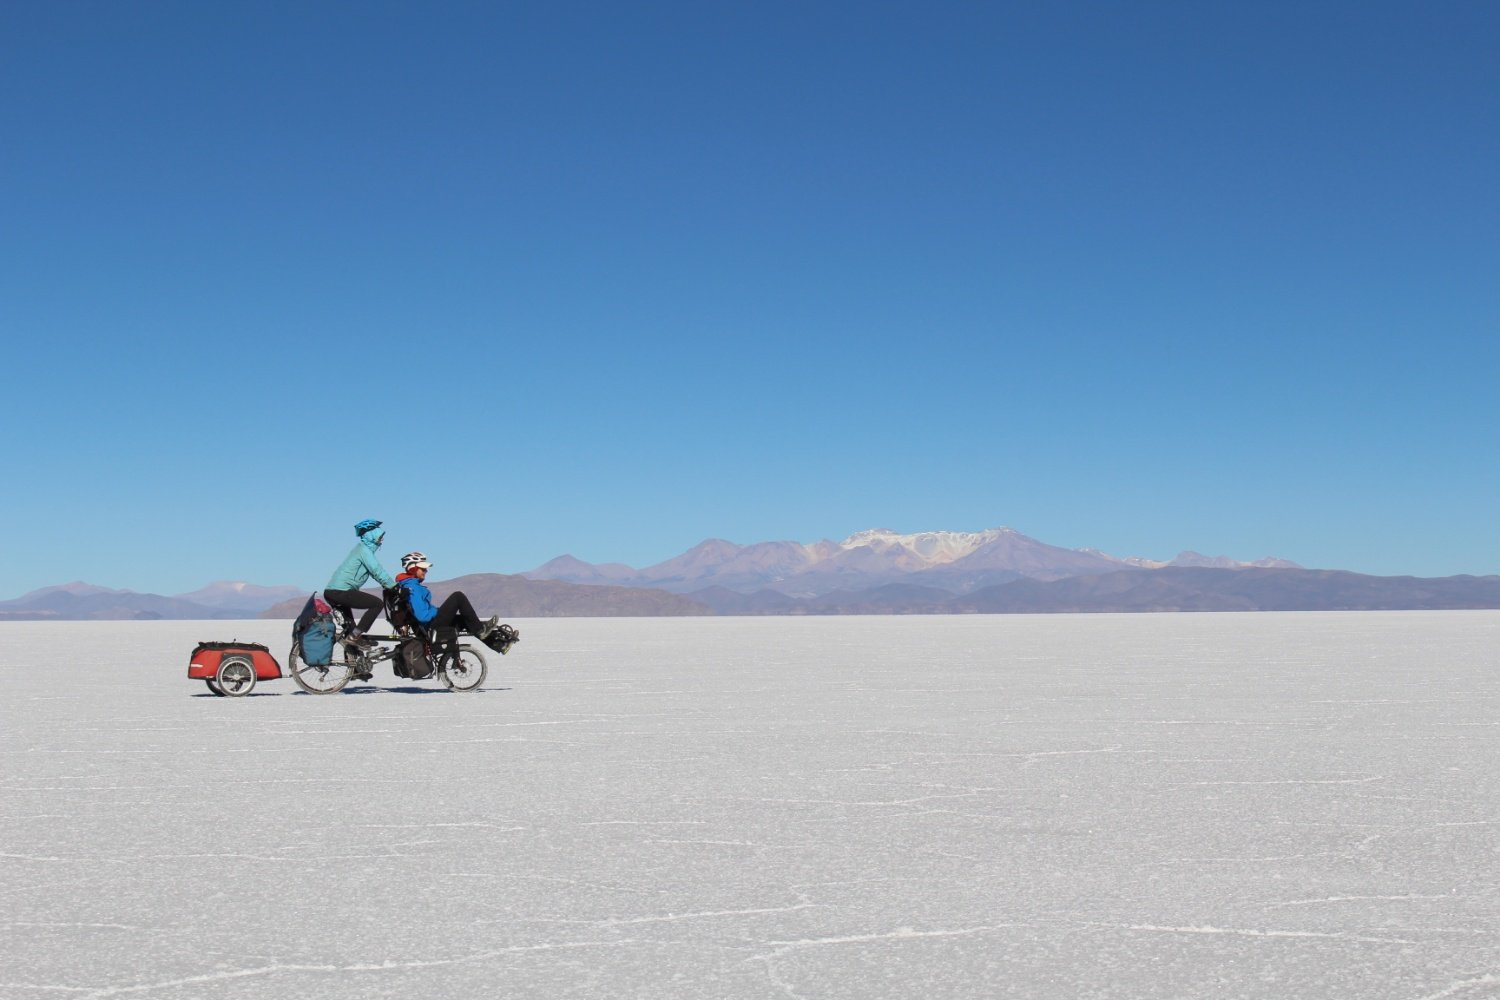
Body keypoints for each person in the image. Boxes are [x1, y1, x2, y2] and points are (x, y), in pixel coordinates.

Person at [325, 519, 398, 648]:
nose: (382, 540)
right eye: (380, 536)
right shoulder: (364, 551)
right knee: (376, 604)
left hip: (334, 592)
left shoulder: (361, 550)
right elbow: (376, 570)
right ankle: (355, 636)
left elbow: (375, 573)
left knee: (351, 637)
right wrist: (393, 586)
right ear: (371, 536)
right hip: (340, 591)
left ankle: (354, 664)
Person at [395, 551, 498, 638]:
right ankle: (481, 630)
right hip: (431, 627)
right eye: (423, 569)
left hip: (429, 625)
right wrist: (437, 611)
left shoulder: (411, 586)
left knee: (465, 620)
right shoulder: (412, 588)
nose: (426, 571)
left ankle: (498, 643)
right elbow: (422, 616)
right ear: (413, 569)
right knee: (458, 597)